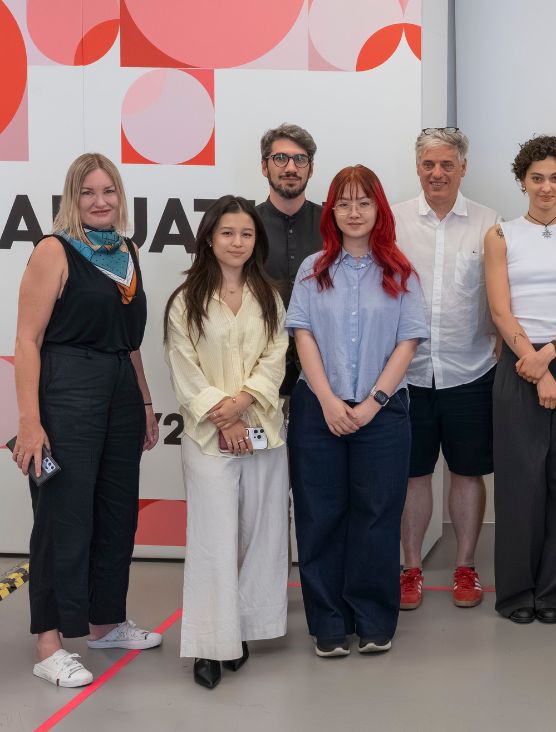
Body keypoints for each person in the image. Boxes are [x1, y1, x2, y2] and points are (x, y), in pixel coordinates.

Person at [14, 153, 161, 688]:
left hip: (121, 389)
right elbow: (27, 342)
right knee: (63, 514)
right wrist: (29, 421)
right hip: (68, 388)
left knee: (116, 510)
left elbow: (131, 341)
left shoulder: (126, 250)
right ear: (71, 199)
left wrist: (144, 402)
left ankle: (105, 622)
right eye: (88, 192)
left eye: (109, 191)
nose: (100, 201)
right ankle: (50, 642)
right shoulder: (53, 251)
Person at [286, 165, 427, 657]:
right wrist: (327, 400)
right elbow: (302, 334)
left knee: (376, 517)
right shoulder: (312, 268)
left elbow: (407, 343)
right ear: (331, 211)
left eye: (363, 202)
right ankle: (328, 623)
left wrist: (372, 405)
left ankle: (372, 620)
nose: (353, 212)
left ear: (378, 210)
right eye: (343, 203)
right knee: (319, 516)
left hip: (382, 413)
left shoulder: (401, 272)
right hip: (317, 410)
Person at [164, 196, 289, 689]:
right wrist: (224, 415)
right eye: (228, 234)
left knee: (262, 534)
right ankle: (208, 646)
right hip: (209, 435)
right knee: (214, 541)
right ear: (209, 238)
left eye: (247, 234)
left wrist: (244, 404)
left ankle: (242, 633)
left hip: (263, 430)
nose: (237, 243)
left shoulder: (270, 295)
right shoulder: (185, 301)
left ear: (256, 241)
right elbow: (184, 368)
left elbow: (276, 357)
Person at [485, 135, 556, 624]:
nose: (547, 187)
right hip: (518, 362)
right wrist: (532, 362)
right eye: (537, 178)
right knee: (519, 483)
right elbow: (499, 307)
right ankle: (516, 593)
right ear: (522, 181)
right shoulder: (500, 235)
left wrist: (550, 356)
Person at [394, 127, 500, 611]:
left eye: (447, 165)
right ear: (418, 167)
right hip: (408, 375)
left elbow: (502, 296)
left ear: (463, 168)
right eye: (429, 164)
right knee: (413, 475)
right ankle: (410, 568)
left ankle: (465, 566)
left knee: (467, 472)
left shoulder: (489, 223)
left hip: (471, 371)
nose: (437, 173)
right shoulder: (392, 222)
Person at [256, 123, 322, 395]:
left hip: (322, 373)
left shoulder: (332, 226)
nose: (291, 168)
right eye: (280, 158)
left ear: (311, 168)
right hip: (258, 373)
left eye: (300, 159)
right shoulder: (246, 227)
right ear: (264, 167)